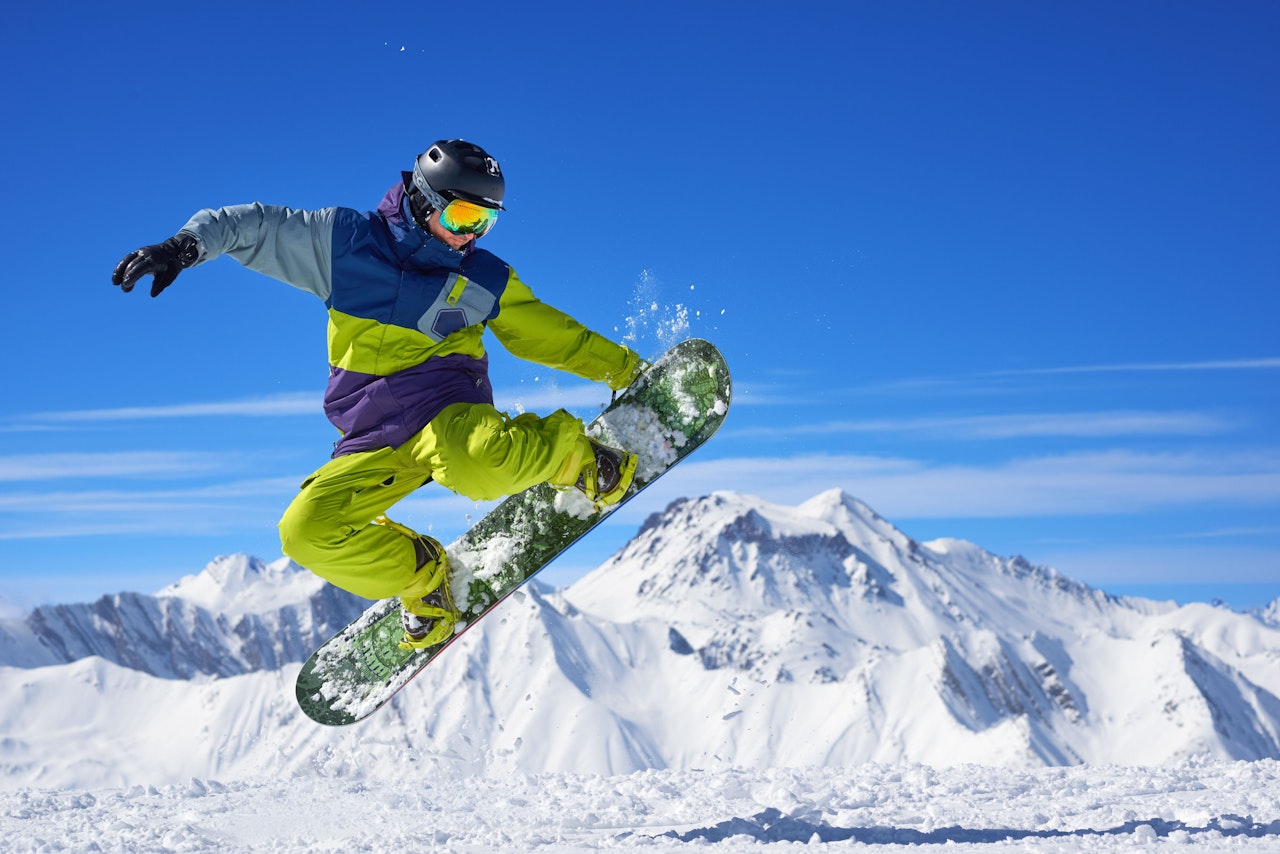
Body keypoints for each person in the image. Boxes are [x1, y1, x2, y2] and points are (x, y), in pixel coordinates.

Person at [112, 139, 644, 649]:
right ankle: (423, 578)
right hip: (371, 435)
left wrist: (626, 370)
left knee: (477, 463)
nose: (470, 236)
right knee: (304, 531)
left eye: (485, 222)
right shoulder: (344, 243)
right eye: (463, 218)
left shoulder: (482, 277)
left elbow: (551, 335)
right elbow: (255, 227)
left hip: (447, 414)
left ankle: (576, 456)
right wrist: (186, 245)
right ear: (424, 201)